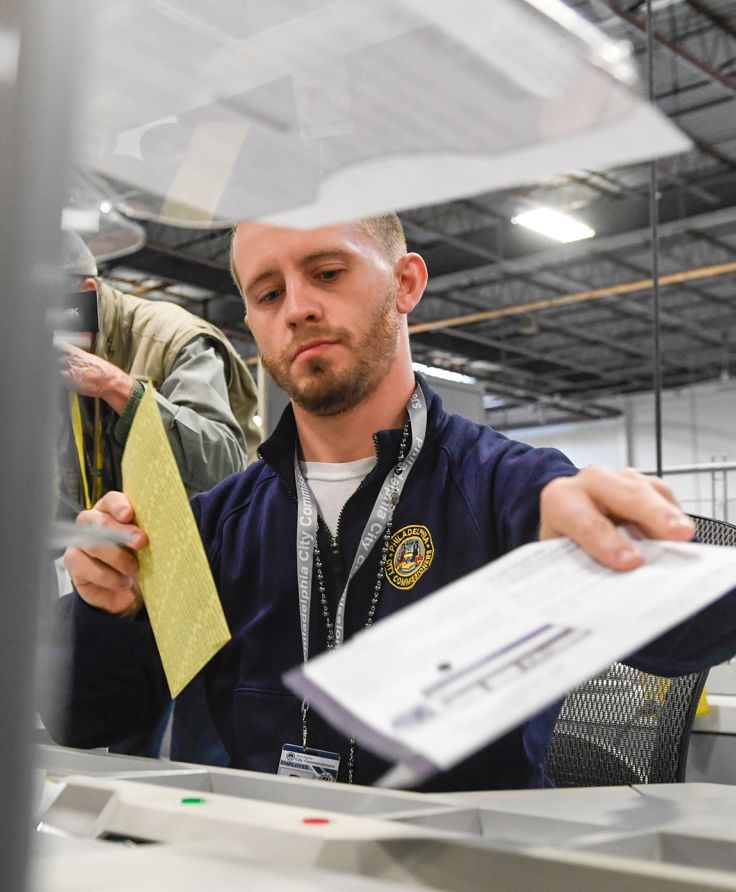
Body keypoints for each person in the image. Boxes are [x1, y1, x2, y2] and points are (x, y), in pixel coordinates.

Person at [44, 214, 736, 792]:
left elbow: (694, 638)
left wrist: (619, 558)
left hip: (456, 865)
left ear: (405, 283)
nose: (299, 307)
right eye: (267, 291)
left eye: (327, 273)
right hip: (264, 862)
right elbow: (86, 722)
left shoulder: (512, 488)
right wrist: (109, 610)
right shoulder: (216, 523)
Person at [54, 232, 259, 764]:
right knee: (108, 741)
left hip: (199, 585)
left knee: (191, 752)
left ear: (83, 291)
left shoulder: (175, 339)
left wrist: (116, 387)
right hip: (109, 583)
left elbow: (222, 461)